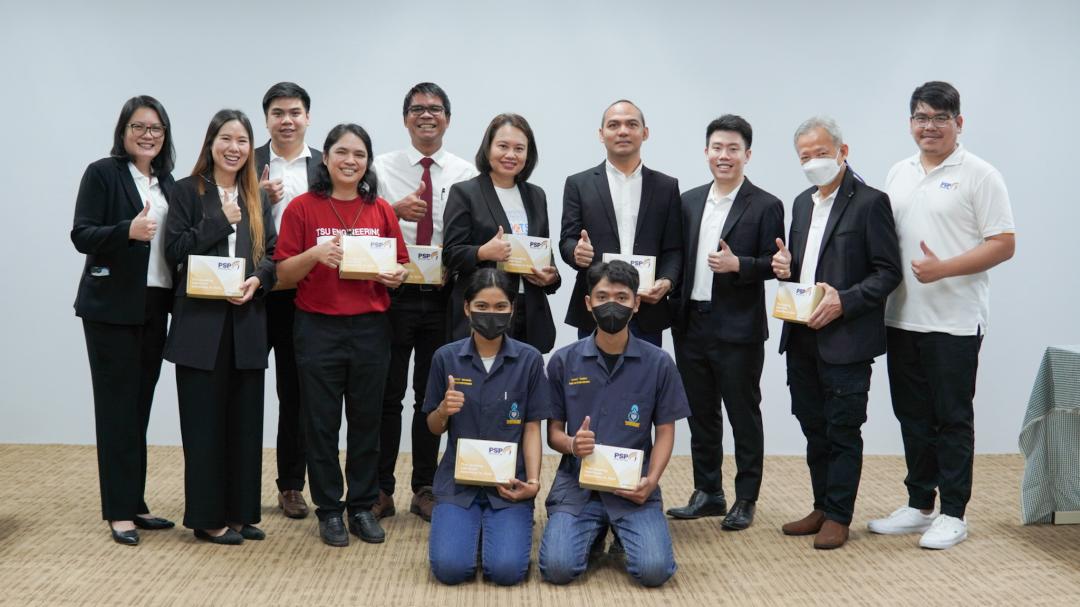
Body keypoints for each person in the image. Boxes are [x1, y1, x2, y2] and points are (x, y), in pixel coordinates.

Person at [867, 81, 1016, 550]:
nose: (929, 126)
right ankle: (919, 505)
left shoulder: (980, 174)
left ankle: (954, 513)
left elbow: (1003, 243)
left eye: (939, 118)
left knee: (951, 418)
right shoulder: (899, 172)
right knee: (911, 416)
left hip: (954, 320)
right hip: (901, 316)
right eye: (921, 117)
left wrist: (943, 269)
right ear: (910, 122)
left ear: (958, 122)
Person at [275, 123, 409, 547]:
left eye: (360, 154)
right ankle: (330, 510)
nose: (351, 161)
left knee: (367, 421)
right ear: (327, 158)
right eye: (342, 152)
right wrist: (314, 254)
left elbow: (402, 264)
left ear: (368, 162)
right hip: (318, 328)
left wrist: (396, 275)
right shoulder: (302, 208)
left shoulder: (381, 209)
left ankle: (362, 507)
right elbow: (281, 274)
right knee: (321, 423)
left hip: (371, 328)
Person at [772, 117, 902, 550]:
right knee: (813, 425)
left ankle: (840, 515)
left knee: (843, 428)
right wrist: (785, 268)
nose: (813, 162)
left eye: (821, 153)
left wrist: (845, 300)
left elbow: (888, 272)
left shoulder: (870, 203)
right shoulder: (801, 203)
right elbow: (804, 266)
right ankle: (821, 505)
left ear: (843, 152)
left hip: (846, 337)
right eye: (805, 156)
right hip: (801, 333)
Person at [539, 260, 690, 588]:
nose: (612, 305)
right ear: (588, 302)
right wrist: (571, 444)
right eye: (602, 296)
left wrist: (651, 480)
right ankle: (594, 535)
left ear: (636, 303)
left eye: (622, 298)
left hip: (632, 486)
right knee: (557, 569)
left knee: (654, 571)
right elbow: (553, 433)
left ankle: (622, 532)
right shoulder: (563, 361)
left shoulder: (659, 363)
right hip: (578, 486)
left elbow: (665, 431)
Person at [164, 109, 277, 545]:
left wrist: (258, 280)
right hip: (200, 325)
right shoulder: (186, 191)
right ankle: (208, 518)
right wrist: (219, 221)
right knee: (204, 426)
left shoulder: (257, 195)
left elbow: (273, 254)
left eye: (242, 141)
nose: (234, 148)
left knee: (245, 424)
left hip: (246, 321)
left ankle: (241, 512)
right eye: (226, 139)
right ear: (211, 143)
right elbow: (175, 250)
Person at [666, 115, 785, 530]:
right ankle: (708, 492)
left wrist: (740, 265)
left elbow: (777, 264)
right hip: (690, 323)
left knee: (742, 413)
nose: (724, 155)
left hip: (738, 327)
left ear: (747, 155)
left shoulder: (766, 204)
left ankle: (746, 498)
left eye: (733, 149)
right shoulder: (689, 201)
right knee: (700, 413)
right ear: (706, 152)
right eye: (717, 148)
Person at [71, 95, 178, 546]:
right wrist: (126, 232)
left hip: (155, 304)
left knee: (139, 408)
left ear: (164, 135)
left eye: (156, 128)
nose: (147, 135)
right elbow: (81, 234)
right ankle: (118, 512)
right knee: (116, 409)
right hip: (111, 309)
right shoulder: (103, 173)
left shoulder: (168, 183)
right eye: (139, 126)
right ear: (124, 131)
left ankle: (134, 502)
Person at [371, 83, 479, 522]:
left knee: (431, 397)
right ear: (405, 119)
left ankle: (425, 487)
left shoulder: (467, 172)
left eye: (435, 108)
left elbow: (470, 234)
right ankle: (380, 488)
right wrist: (392, 211)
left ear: (448, 119)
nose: (426, 115)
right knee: (386, 394)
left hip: (443, 298)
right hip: (392, 294)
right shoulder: (380, 167)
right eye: (417, 109)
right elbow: (363, 224)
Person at [424, 268, 551, 585]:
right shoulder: (445, 357)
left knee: (507, 572)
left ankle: (491, 531)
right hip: (458, 483)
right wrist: (443, 410)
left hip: (509, 483)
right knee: (450, 570)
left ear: (512, 309)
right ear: (467, 308)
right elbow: (434, 427)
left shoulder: (530, 360)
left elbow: (532, 428)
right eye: (481, 306)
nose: (490, 314)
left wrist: (533, 481)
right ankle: (470, 530)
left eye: (500, 306)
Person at [559, 100, 682, 346]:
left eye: (631, 124)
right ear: (601, 134)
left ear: (645, 133)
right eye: (614, 125)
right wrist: (575, 252)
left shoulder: (666, 186)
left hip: (646, 307)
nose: (623, 131)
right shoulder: (578, 184)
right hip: (596, 306)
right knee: (590, 370)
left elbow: (674, 248)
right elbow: (567, 240)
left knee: (646, 371)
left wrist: (667, 282)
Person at [254, 81, 323, 520]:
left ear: (307, 117)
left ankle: (291, 485)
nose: (287, 120)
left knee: (296, 393)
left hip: (306, 291)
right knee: (243, 386)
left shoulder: (326, 166)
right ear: (266, 119)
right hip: (257, 289)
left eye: (295, 112)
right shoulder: (247, 161)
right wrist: (256, 199)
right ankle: (237, 483)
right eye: (278, 113)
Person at [443, 113, 561, 353]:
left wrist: (551, 277)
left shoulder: (536, 195)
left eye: (519, 148)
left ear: (528, 154)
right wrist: (482, 252)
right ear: (488, 149)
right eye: (503, 146)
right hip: (484, 310)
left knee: (526, 374)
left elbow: (543, 251)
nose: (511, 155)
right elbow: (451, 254)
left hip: (529, 308)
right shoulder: (465, 192)